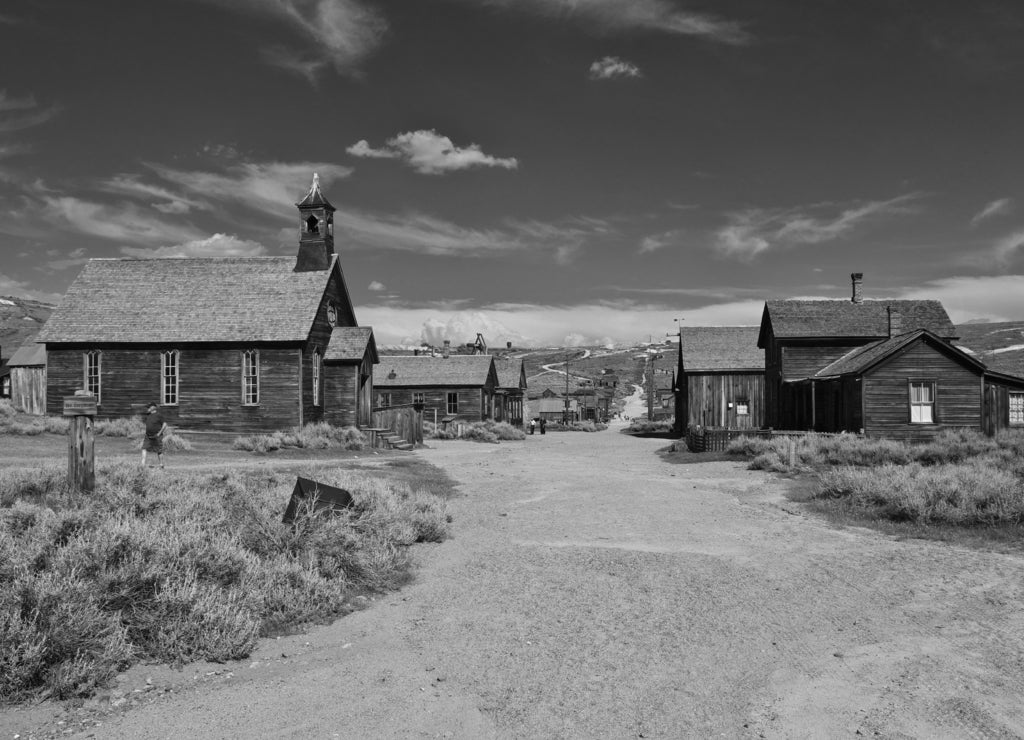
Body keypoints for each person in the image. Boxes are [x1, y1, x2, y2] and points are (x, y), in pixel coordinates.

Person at [142, 403, 168, 468]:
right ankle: (142, 464)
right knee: (144, 448)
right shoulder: (148, 415)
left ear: (153, 407)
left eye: (148, 407)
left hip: (157, 436)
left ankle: (161, 465)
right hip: (148, 436)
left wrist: (159, 433)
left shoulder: (159, 415)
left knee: (159, 451)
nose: (147, 409)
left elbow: (165, 424)